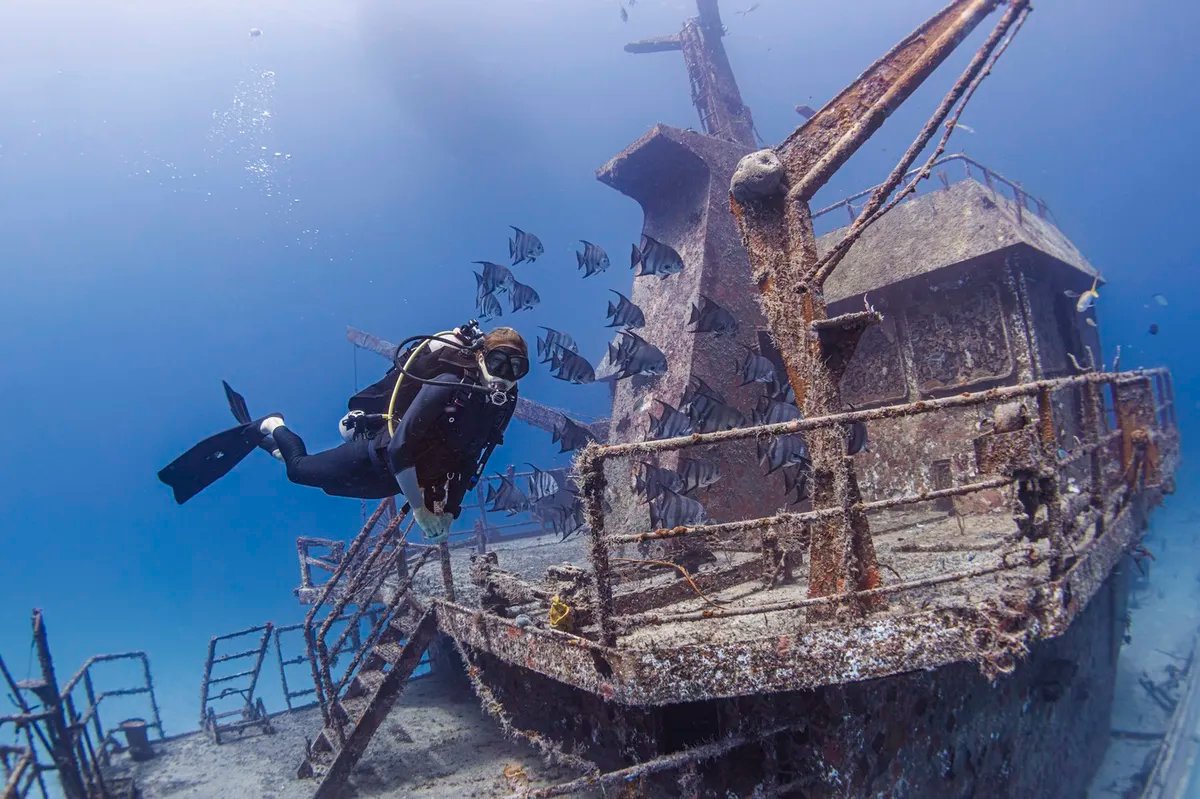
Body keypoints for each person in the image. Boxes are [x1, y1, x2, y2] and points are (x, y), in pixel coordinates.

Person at [157, 324, 529, 542]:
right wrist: (420, 510)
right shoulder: (448, 383)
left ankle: (272, 448)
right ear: (480, 357)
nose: (504, 375)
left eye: (516, 368)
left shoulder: (500, 406)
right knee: (298, 472)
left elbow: (470, 460)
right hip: (379, 456)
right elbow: (400, 448)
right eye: (498, 362)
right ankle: (273, 425)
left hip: (397, 480)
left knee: (330, 485)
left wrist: (448, 510)